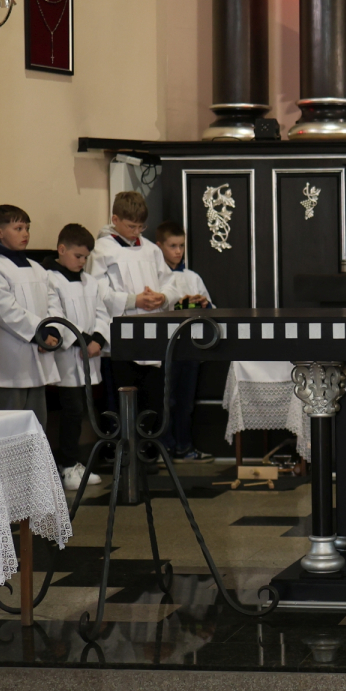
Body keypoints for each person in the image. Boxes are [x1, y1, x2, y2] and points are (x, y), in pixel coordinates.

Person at [0, 204, 66, 422]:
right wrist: (39, 334)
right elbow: (3, 310)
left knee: (37, 423)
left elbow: (53, 302)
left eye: (27, 228)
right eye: (18, 228)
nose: (25, 234)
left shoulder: (37, 268)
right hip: (9, 359)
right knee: (8, 424)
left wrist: (53, 330)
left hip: (39, 355)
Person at [87, 190, 169, 419]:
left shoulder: (152, 250)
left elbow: (169, 282)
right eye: (131, 226)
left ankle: (149, 440)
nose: (136, 232)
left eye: (141, 227)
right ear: (115, 220)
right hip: (119, 337)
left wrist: (162, 297)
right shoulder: (102, 250)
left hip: (152, 335)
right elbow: (97, 292)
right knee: (122, 402)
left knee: (151, 401)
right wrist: (134, 300)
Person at [47, 224, 111, 491]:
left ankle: (74, 462)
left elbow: (102, 314)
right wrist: (82, 341)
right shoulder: (50, 279)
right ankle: (66, 465)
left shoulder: (90, 282)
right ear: (62, 249)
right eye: (78, 256)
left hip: (88, 355)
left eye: (86, 257)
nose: (82, 261)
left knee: (81, 411)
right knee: (71, 411)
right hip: (67, 356)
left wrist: (98, 339)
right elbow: (54, 315)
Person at [154, 220, 212, 460]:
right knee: (166, 400)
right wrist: (178, 305)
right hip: (165, 347)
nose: (178, 251)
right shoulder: (155, 277)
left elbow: (210, 307)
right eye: (172, 246)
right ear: (159, 246)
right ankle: (163, 447)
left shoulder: (192, 277)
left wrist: (203, 304)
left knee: (186, 402)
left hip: (190, 346)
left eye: (181, 246)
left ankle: (184, 446)